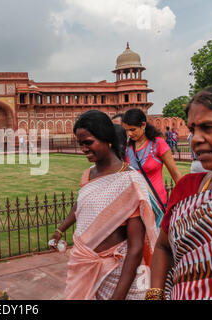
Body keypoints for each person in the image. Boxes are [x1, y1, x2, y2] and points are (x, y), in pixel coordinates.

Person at [50, 110, 158, 300]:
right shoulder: (88, 175)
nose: (84, 149)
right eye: (80, 144)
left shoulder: (130, 181)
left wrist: (118, 297)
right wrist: (60, 229)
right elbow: (80, 205)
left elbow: (136, 247)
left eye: (88, 143)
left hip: (117, 271)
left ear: (107, 138)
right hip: (83, 262)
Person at [147, 84, 212, 300]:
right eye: (192, 129)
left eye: (208, 127)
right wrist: (154, 294)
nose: (195, 139)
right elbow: (162, 246)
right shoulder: (188, 188)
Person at [122, 108, 182, 212]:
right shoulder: (127, 147)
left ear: (143, 125)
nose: (129, 134)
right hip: (135, 205)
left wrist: (186, 198)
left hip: (156, 203)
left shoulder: (157, 144)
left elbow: (175, 174)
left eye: (132, 129)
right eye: (126, 130)